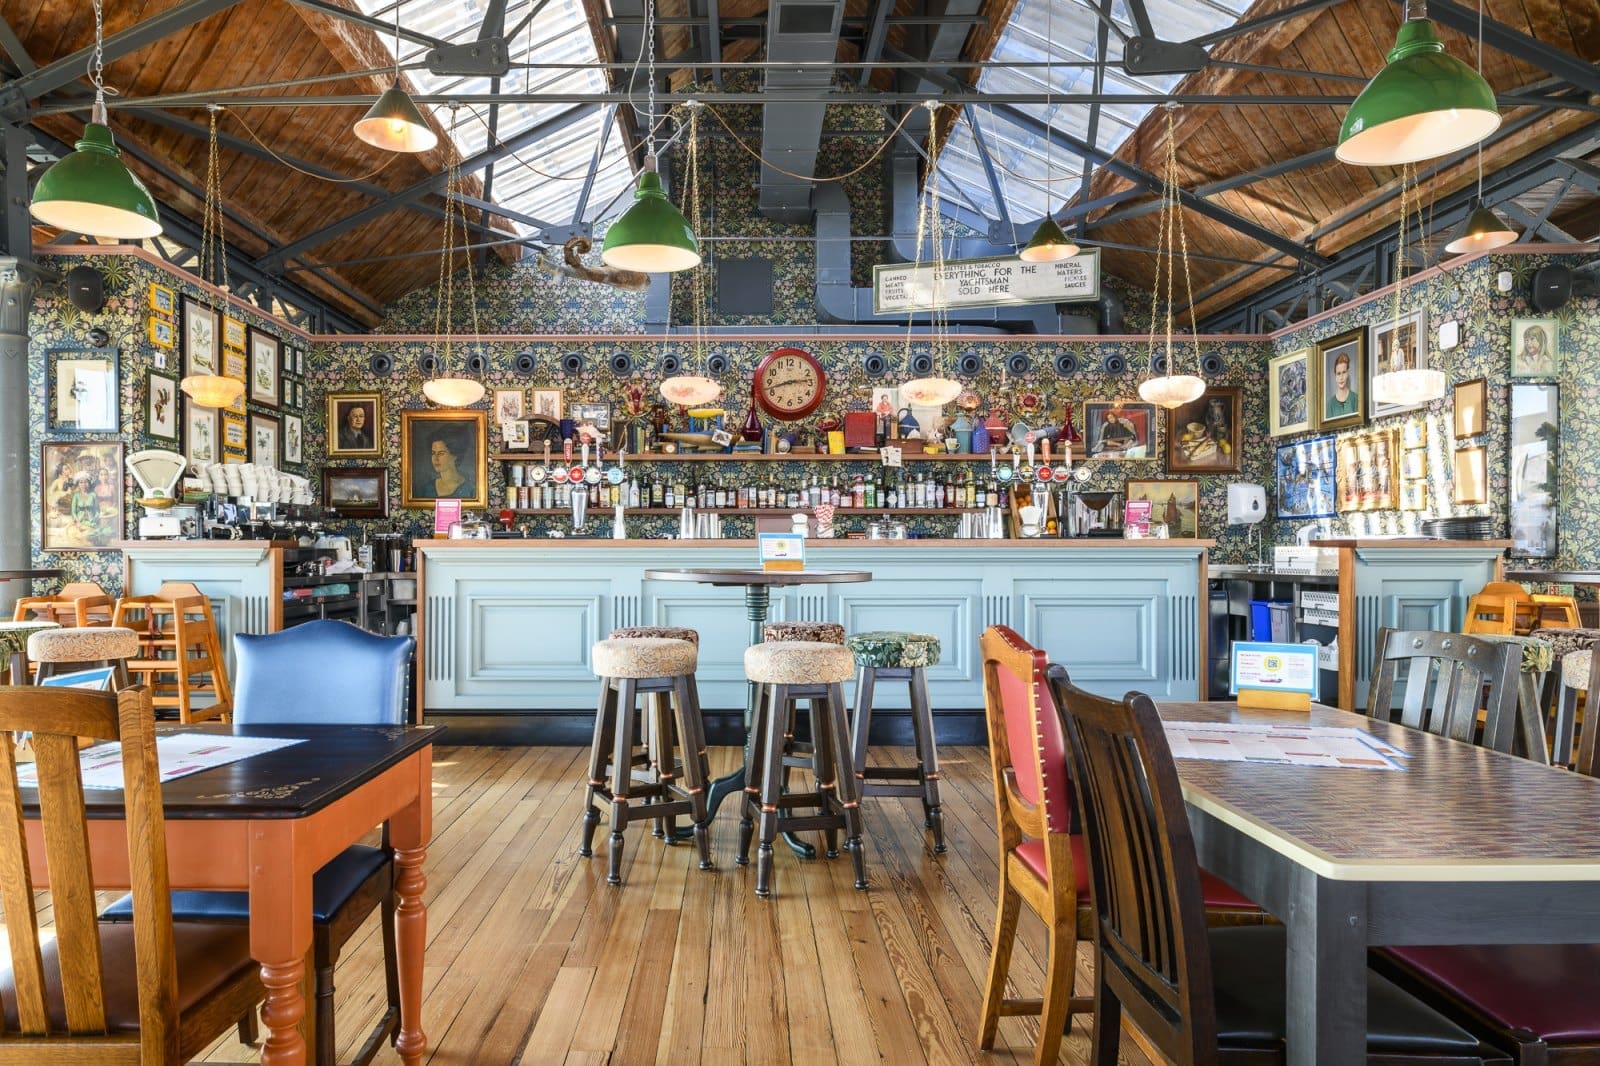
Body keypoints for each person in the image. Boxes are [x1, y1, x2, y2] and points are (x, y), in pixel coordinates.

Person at [420, 432, 474, 500]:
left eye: (441, 453)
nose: (435, 458)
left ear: (454, 455)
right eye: (433, 453)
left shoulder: (470, 489)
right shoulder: (426, 489)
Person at [1326, 352, 1358, 417]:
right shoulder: (1330, 404)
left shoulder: (1356, 398)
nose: (1341, 377)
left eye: (1344, 372)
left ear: (1347, 373)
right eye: (1338, 373)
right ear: (1335, 376)